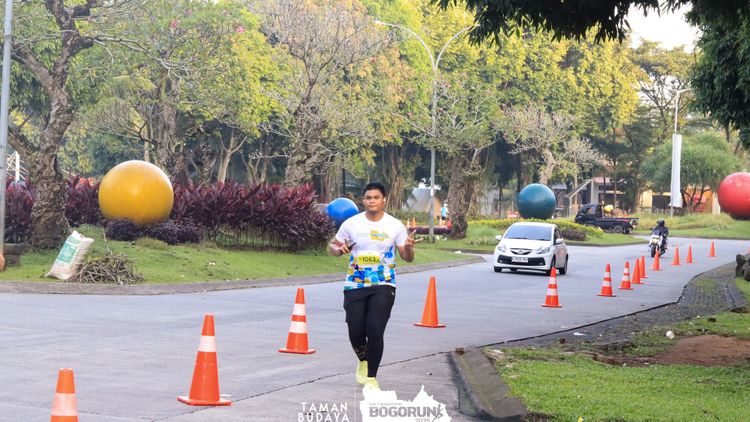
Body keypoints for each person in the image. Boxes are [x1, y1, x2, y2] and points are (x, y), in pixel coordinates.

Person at [328, 182, 418, 391]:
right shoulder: (351, 224)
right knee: (355, 331)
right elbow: (332, 246)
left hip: (383, 283)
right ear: (363, 200)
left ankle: (371, 378)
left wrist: (408, 248)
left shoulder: (395, 226)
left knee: (375, 330)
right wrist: (338, 249)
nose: (372, 201)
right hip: (356, 283)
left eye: (376, 197)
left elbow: (407, 257)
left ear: (383, 200)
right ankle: (363, 360)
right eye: (368, 198)